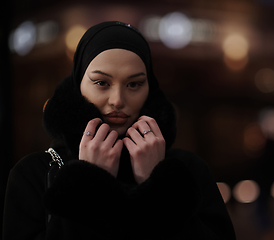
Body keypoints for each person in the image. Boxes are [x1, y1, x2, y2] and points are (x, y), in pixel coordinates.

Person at [3, 21, 236, 240]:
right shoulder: (34, 174)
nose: (117, 100)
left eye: (134, 84)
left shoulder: (188, 170)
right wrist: (89, 183)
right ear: (78, 85)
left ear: (149, 89)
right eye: (102, 83)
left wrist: (159, 185)